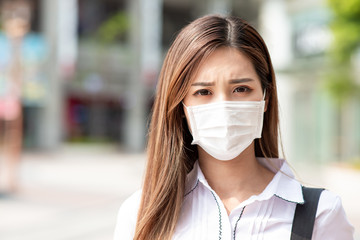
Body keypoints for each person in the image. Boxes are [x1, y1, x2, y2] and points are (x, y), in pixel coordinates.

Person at [114, 15, 354, 240]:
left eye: (241, 89)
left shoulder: (321, 214)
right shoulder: (141, 215)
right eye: (203, 92)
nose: (224, 106)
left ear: (265, 98)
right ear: (181, 106)